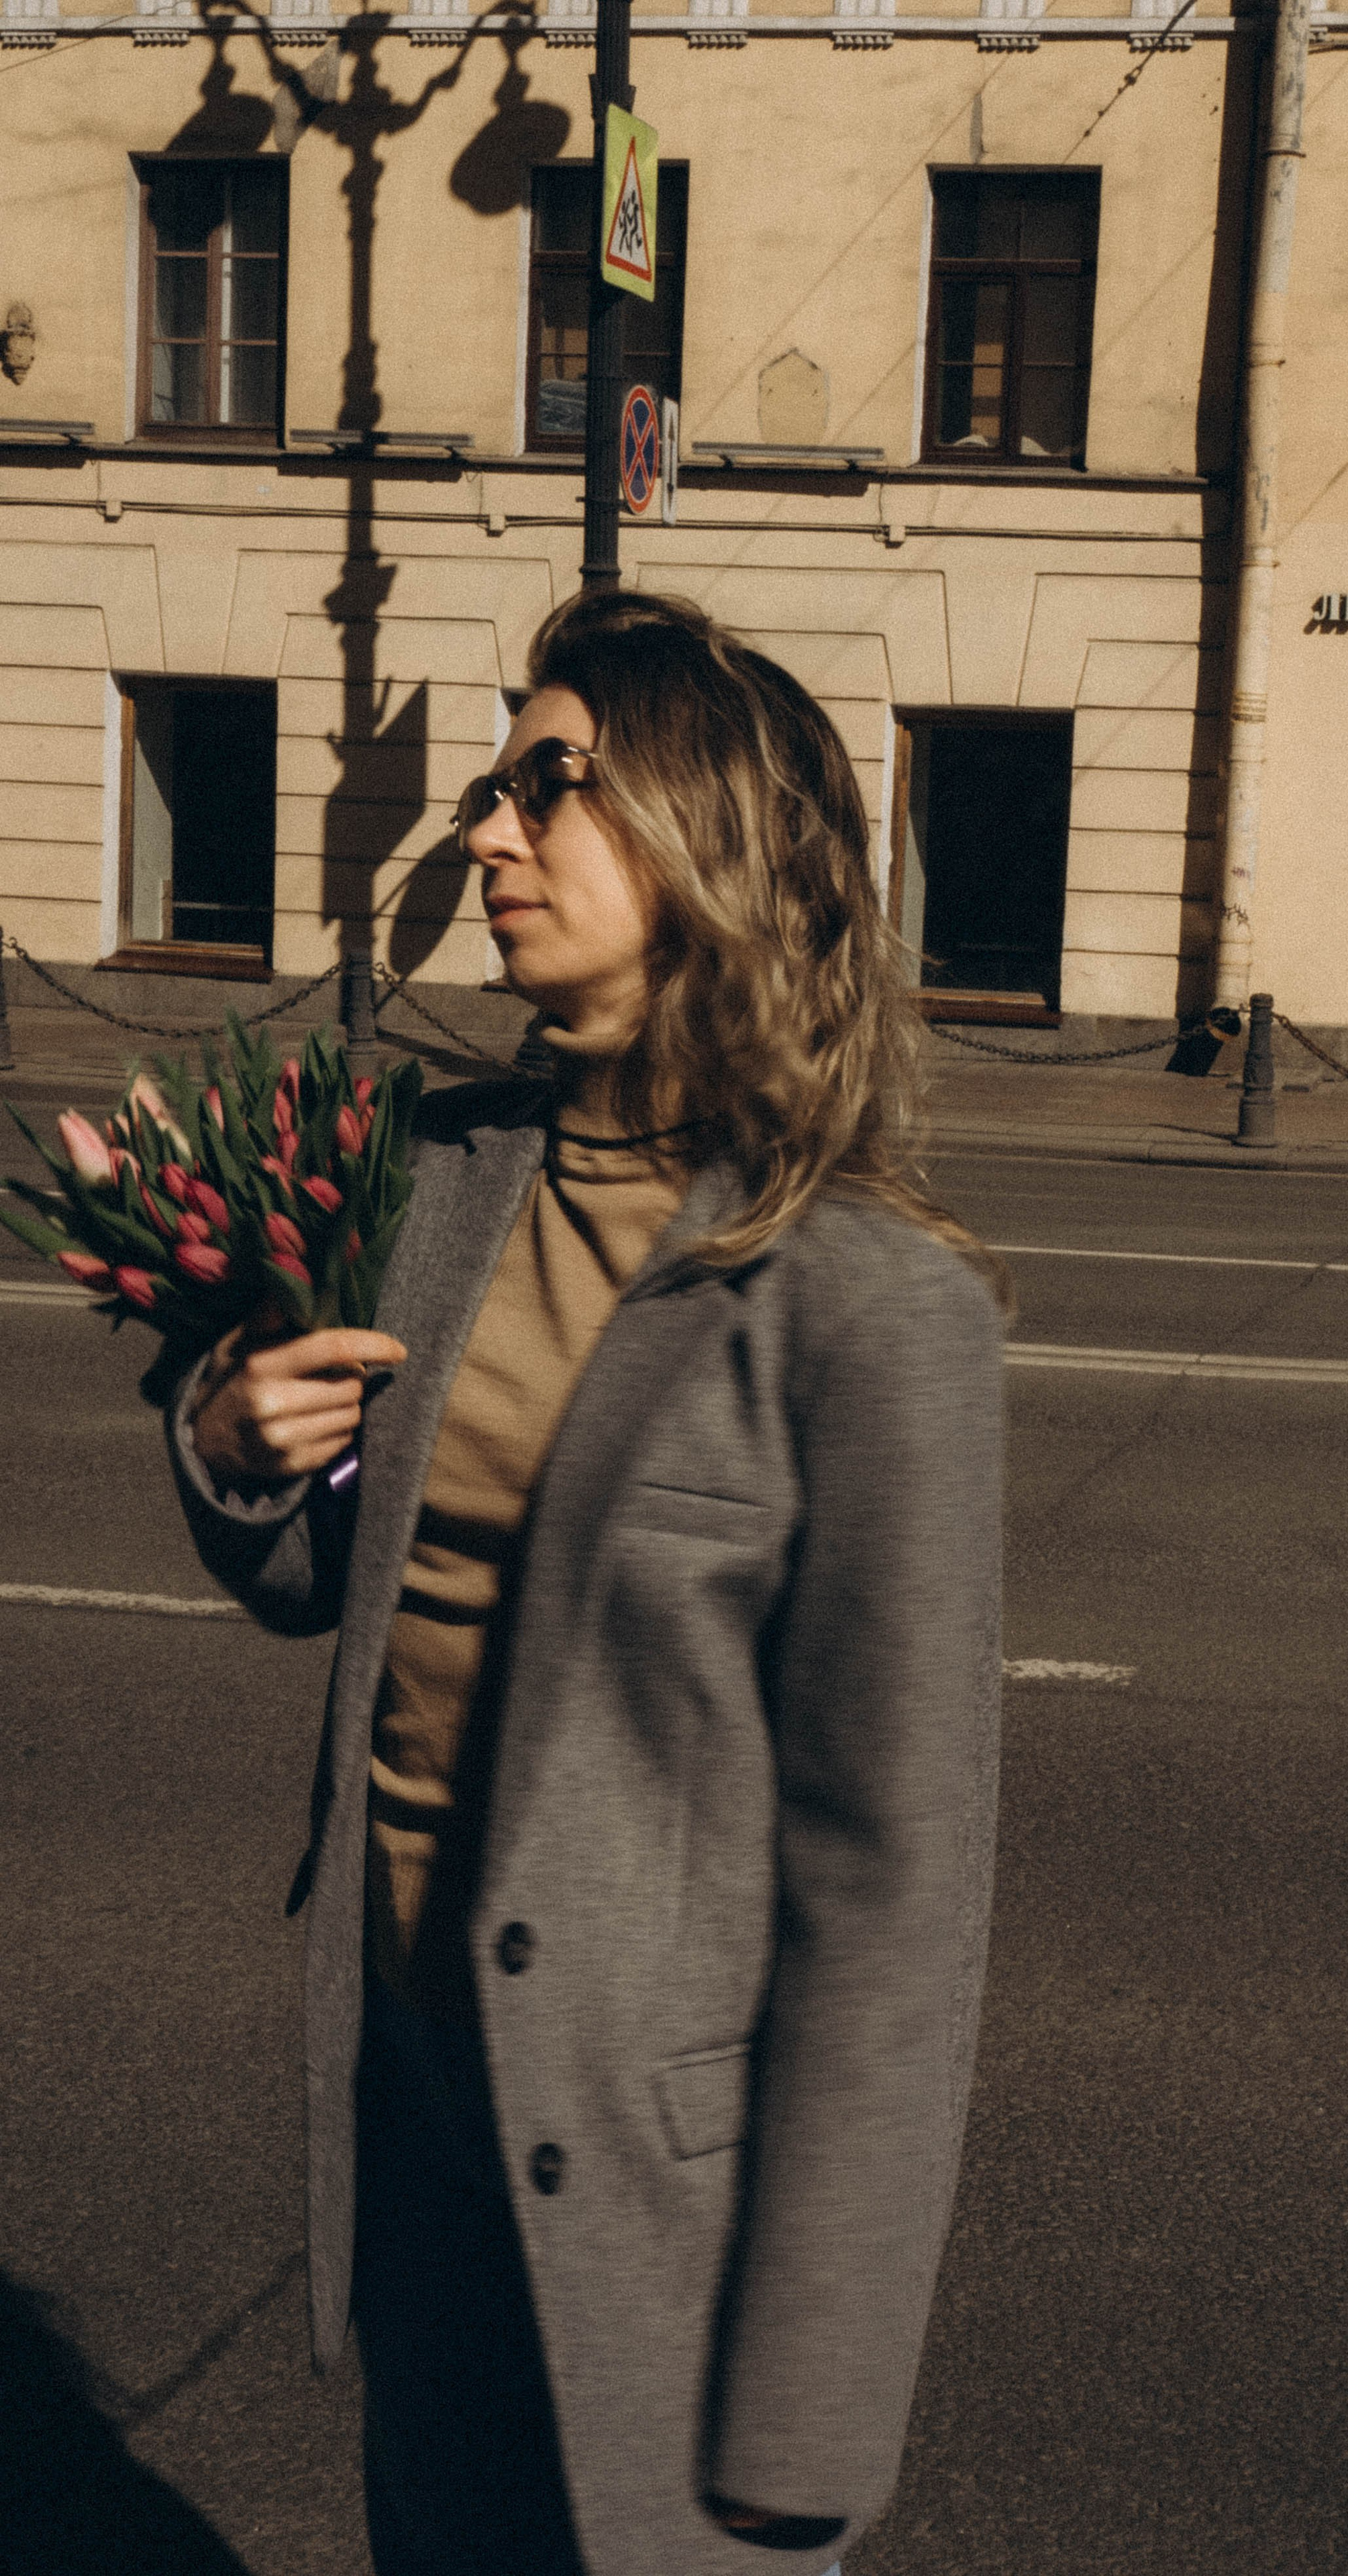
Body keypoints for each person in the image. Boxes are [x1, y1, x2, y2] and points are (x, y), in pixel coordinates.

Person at [168, 589, 1005, 2576]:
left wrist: (810, 2422)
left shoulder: (871, 1305)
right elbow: (318, 1583)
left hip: (662, 2209)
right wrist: (227, 1437)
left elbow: (896, 1909)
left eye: (556, 784)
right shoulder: (432, 1172)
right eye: (494, 782)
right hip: (417, 2121)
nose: (489, 830)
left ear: (709, 833)